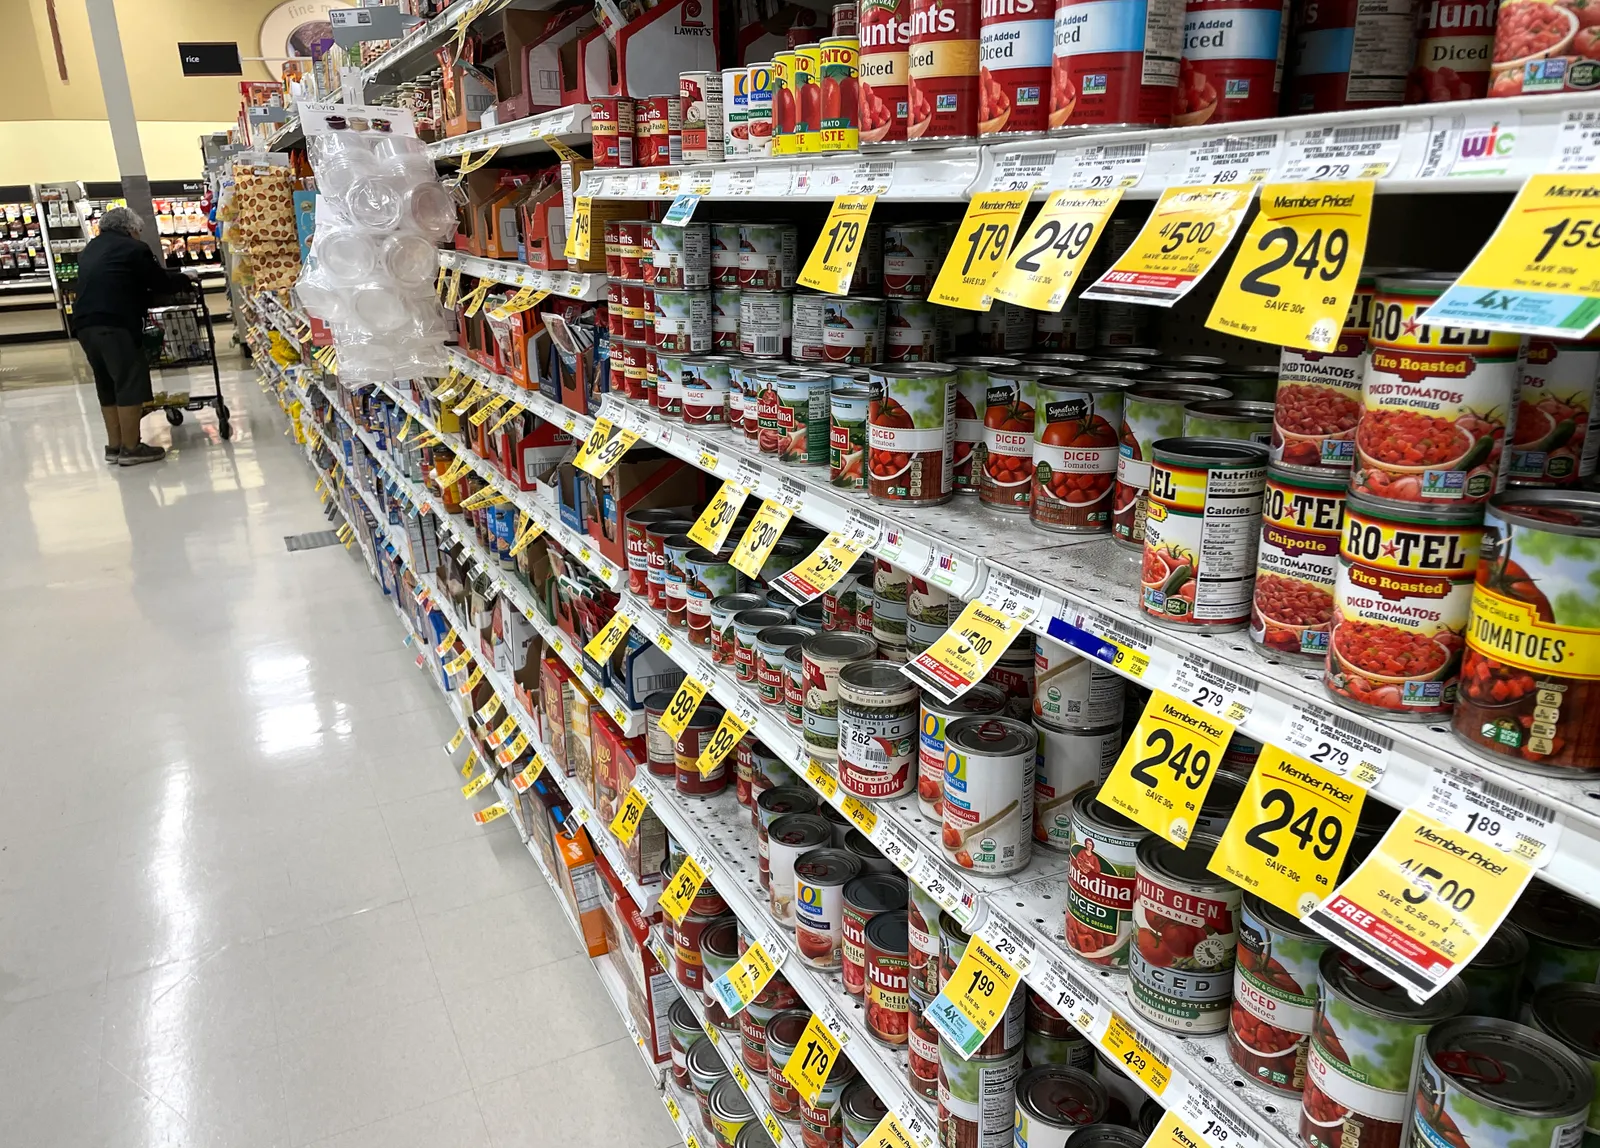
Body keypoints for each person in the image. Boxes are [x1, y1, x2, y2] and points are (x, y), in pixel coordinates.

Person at [74, 206, 191, 466]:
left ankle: (114, 446)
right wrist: (184, 278)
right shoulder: (134, 249)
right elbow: (161, 282)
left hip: (84, 324)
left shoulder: (91, 249)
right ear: (130, 229)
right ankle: (131, 447)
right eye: (138, 231)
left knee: (107, 383)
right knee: (129, 381)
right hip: (115, 323)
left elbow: (119, 281)